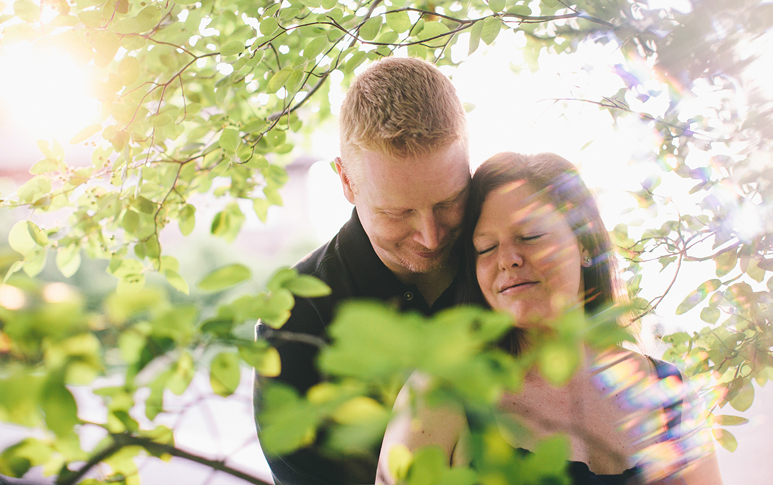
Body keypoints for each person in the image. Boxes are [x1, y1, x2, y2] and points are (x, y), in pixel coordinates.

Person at [377, 152, 723, 485]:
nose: (508, 259)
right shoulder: (441, 394)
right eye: (485, 248)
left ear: (584, 243)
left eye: (529, 236)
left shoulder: (668, 393)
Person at [255, 57, 472, 485]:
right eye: (397, 212)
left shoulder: (505, 255)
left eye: (448, 202)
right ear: (346, 182)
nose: (430, 236)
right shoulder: (295, 319)